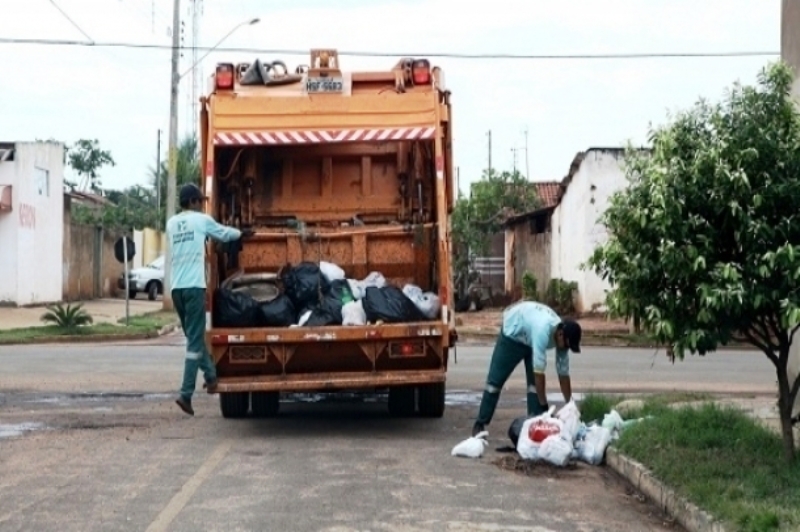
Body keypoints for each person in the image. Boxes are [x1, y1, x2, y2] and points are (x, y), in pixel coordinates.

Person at [167, 183, 243, 416]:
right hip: (194, 287)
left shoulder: (171, 224)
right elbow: (222, 233)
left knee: (195, 337)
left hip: (176, 288)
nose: (202, 204)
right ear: (193, 202)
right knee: (194, 343)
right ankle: (186, 394)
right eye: (200, 201)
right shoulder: (200, 220)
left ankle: (211, 378)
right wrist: (242, 233)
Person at [472, 300, 582, 436]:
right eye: (566, 345)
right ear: (560, 334)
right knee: (495, 382)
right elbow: (539, 374)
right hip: (513, 334)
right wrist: (544, 405)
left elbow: (563, 374)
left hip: (530, 338)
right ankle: (480, 423)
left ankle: (536, 423)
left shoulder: (563, 337)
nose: (565, 350)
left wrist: (570, 406)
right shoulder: (543, 330)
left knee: (533, 387)